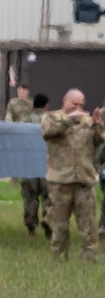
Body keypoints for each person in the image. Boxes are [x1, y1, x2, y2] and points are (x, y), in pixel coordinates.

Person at [39, 88, 99, 261]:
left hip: (84, 179)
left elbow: (98, 140)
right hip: (60, 180)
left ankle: (89, 258)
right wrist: (68, 119)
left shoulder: (87, 121)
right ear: (65, 100)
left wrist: (98, 124)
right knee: (60, 224)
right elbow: (48, 132)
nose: (78, 108)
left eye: (81, 105)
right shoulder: (51, 117)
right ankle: (59, 258)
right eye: (75, 104)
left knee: (87, 224)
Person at [7, 87, 49, 237]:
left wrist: (15, 171)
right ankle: (48, 218)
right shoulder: (51, 121)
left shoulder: (24, 122)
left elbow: (17, 147)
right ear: (46, 105)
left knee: (30, 198)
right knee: (48, 197)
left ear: (33, 105)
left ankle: (31, 225)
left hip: (29, 166)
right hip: (47, 166)